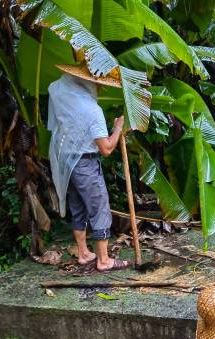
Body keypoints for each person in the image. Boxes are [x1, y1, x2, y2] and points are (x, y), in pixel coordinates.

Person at [48, 64, 129, 272]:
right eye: (97, 83)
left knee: (78, 206)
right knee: (99, 206)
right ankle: (103, 260)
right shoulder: (92, 110)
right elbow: (106, 149)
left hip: (67, 160)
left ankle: (83, 253)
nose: (99, 88)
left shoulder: (59, 93)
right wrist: (118, 128)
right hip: (85, 162)